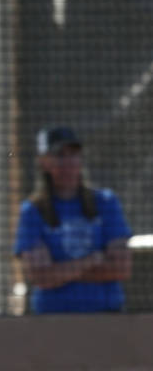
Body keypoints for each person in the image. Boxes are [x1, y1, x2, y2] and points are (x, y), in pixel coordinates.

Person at [14, 126, 132, 314]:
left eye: (74, 154)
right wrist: (93, 260)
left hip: (106, 316)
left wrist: (60, 271)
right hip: (53, 320)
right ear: (44, 162)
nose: (68, 162)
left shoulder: (106, 202)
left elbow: (121, 268)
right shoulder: (33, 211)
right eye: (60, 155)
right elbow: (40, 276)